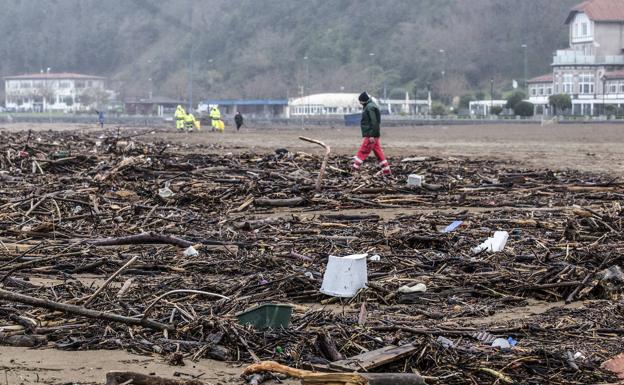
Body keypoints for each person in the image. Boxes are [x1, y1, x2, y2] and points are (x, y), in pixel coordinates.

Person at [352, 92, 391, 175]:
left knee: (363, 150)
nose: (360, 103)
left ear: (363, 100)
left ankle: (354, 168)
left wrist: (372, 135)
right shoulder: (370, 105)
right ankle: (386, 170)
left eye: (360, 101)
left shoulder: (369, 107)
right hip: (373, 133)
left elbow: (374, 122)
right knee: (378, 152)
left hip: (371, 134)